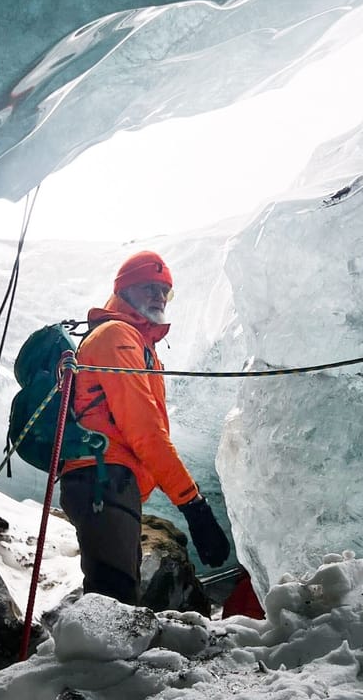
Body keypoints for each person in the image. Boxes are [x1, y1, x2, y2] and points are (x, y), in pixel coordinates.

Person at [59, 250, 230, 605]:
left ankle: (99, 657)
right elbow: (145, 431)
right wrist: (193, 505)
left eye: (164, 290)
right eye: (147, 287)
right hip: (102, 479)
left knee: (118, 596)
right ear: (123, 291)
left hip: (107, 481)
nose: (158, 296)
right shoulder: (117, 337)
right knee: (113, 602)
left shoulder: (138, 344)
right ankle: (94, 660)